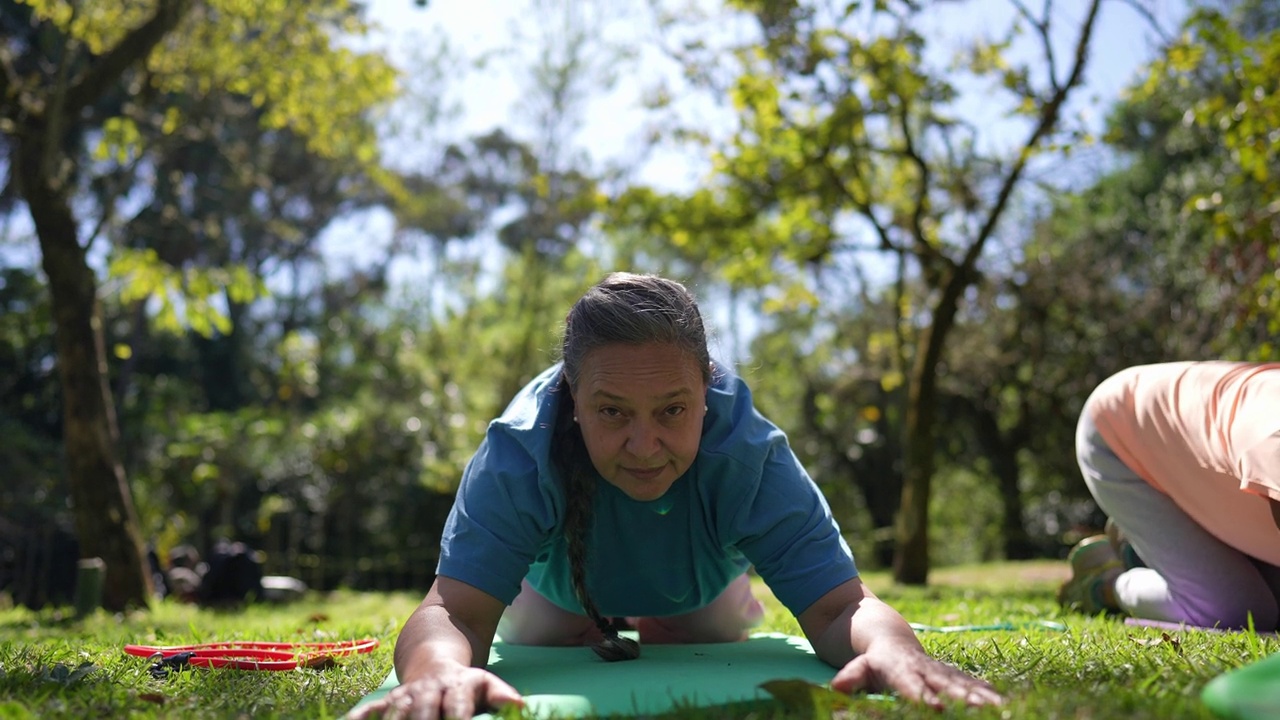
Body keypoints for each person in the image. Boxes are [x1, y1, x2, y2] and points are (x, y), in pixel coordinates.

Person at [349, 272, 1003, 720]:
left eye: (671, 410)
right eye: (612, 412)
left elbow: (840, 607)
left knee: (704, 633)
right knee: (550, 639)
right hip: (553, 598)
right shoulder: (521, 452)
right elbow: (456, 612)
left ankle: (668, 617)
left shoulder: (747, 453)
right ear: (573, 399)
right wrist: (437, 670)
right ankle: (587, 619)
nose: (644, 444)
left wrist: (895, 649)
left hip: (701, 596)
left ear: (707, 388)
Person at [1059, 361, 1280, 631]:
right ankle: (1105, 583)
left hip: (1210, 478)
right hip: (1121, 440)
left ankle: (1138, 553)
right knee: (1236, 611)